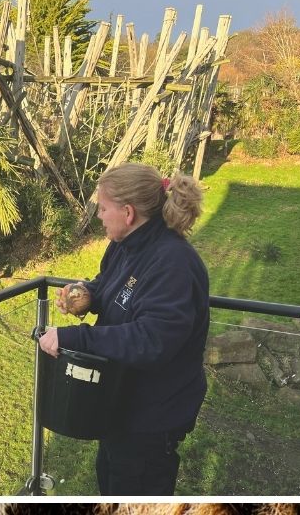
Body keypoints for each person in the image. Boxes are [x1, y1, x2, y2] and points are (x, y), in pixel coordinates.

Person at [40, 164, 210, 496]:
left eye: (103, 208)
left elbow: (152, 339)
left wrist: (76, 336)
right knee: (110, 477)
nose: (99, 216)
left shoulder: (172, 262)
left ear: (128, 212)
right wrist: (86, 297)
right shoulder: (125, 245)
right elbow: (111, 287)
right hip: (121, 403)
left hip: (153, 417)